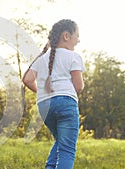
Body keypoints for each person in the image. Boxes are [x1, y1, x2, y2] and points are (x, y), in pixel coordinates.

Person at [22, 19, 85, 169]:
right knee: (67, 150)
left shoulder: (42, 58)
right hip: (66, 103)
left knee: (61, 143)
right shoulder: (73, 56)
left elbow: (27, 79)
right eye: (77, 35)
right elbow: (79, 86)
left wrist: (43, 92)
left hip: (45, 105)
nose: (78, 40)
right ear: (66, 36)